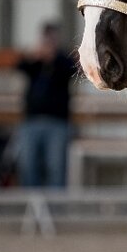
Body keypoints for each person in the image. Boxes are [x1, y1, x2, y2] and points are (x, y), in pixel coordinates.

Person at [15, 22, 75, 188]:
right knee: (28, 166)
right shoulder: (34, 62)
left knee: (55, 167)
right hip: (31, 120)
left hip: (57, 122)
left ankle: (56, 203)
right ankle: (30, 201)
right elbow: (19, 66)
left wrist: (54, 58)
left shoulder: (63, 60)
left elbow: (71, 70)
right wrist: (34, 57)